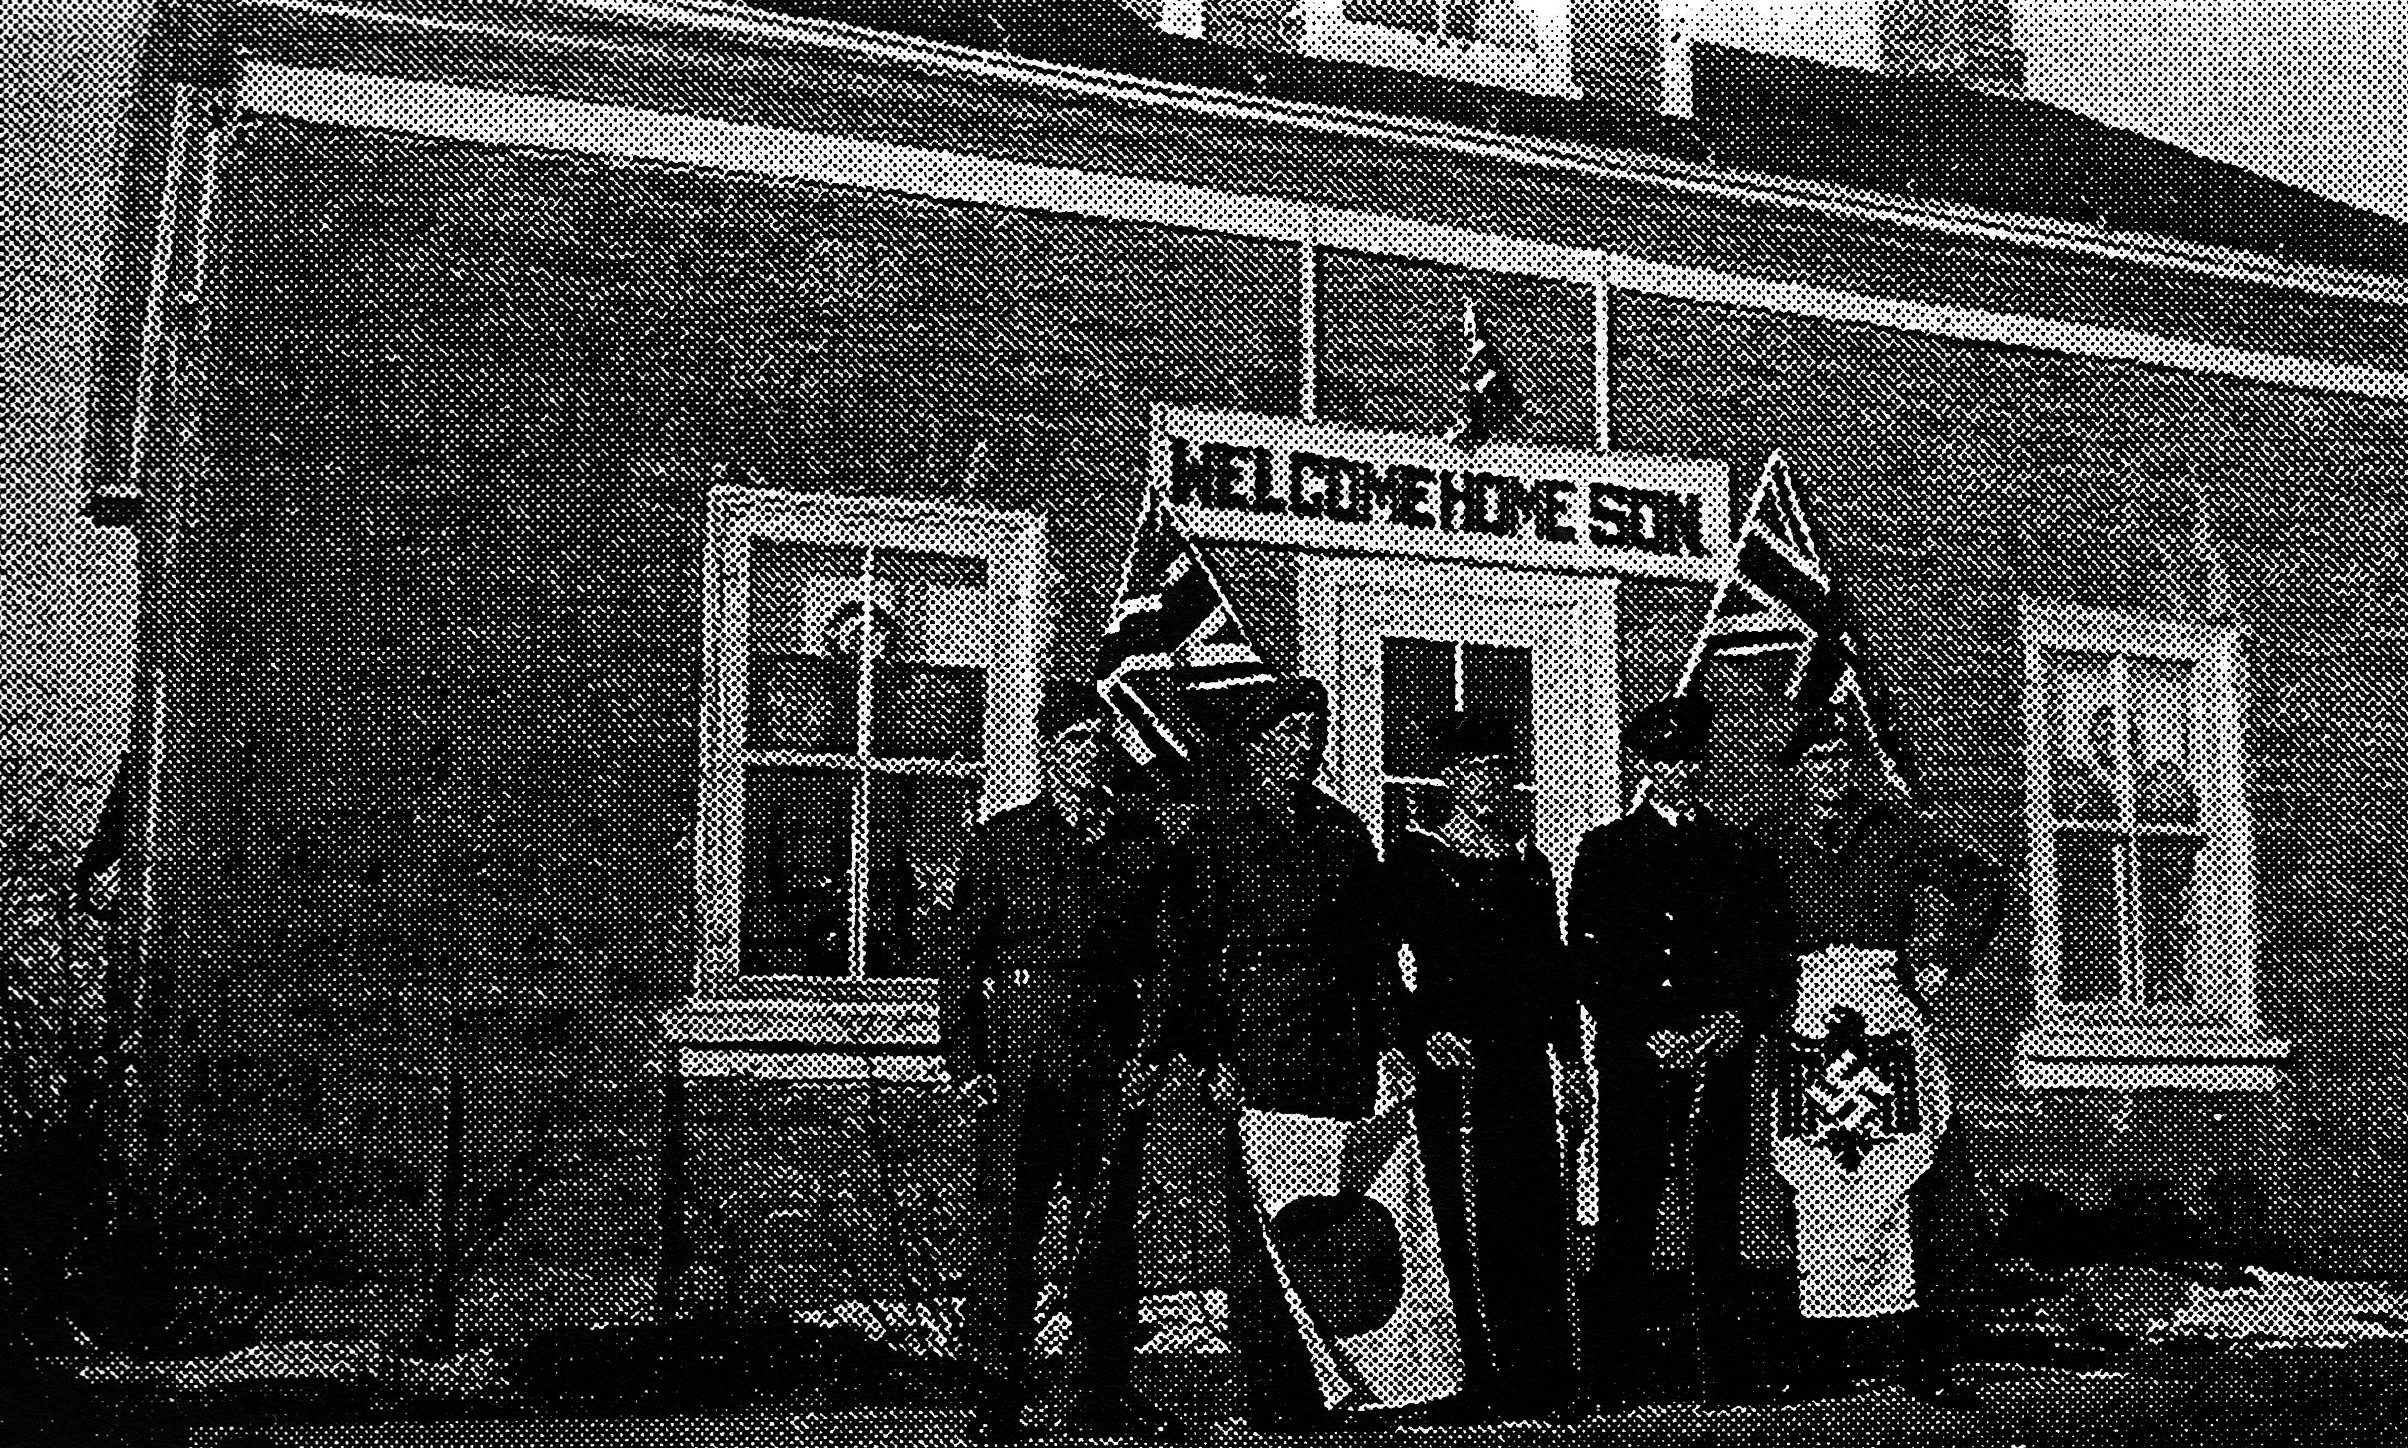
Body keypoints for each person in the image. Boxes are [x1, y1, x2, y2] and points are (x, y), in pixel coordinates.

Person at [1148, 676, 1407, 1433]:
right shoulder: (1216, 836)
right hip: (1258, 1046)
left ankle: (1350, 1382)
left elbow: (1373, 955)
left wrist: (1390, 1041)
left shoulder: (1344, 833)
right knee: (1264, 1233)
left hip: (1339, 1046)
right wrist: (1212, 1055)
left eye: (1311, 731)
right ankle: (1280, 1397)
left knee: (1329, 1220)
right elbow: (1184, 961)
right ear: (1255, 745)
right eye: (1285, 732)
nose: (1301, 746)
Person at [938, 686, 1179, 1445]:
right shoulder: (1002, 841)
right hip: (1021, 1055)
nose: (1090, 753)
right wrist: (969, 1063)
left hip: (1108, 1056)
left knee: (1107, 1227)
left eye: (1099, 739)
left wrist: (1150, 1053)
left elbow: (1169, 963)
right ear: (1048, 752)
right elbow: (960, 965)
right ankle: (994, 1393)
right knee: (1007, 1225)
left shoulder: (1142, 846)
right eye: (1074, 740)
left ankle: (1102, 1389)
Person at [1749, 708, 2005, 1411]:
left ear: (1855, 765)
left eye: (1840, 758)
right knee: (1820, 1175)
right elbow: (1734, 924)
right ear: (1798, 771)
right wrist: (1765, 991)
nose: (1829, 773)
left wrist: (1943, 962)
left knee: (1906, 1170)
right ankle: (1827, 1354)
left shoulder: (1893, 829)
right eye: (1816, 761)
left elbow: (1982, 880)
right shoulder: (1769, 842)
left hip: (1886, 1011)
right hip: (1805, 1018)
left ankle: (1927, 1353)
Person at [1563, 693, 1789, 1409]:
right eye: (1664, 759)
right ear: (1643, 765)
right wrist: (1640, 1029)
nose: (1679, 771)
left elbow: (1770, 958)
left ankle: (1720, 1368)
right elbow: (1589, 961)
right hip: (1637, 1053)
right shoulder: (1606, 850)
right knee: (1630, 1205)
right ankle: (1616, 1372)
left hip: (1718, 1051)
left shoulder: (1739, 852)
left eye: (1690, 758)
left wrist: (1733, 1018)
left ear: (1704, 763)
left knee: (1714, 1207)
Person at [1386, 711, 1585, 1421]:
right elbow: (1382, 967)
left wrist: (1572, 1061)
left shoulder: (1528, 867)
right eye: (1478, 772)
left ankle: (1544, 1372)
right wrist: (1422, 1031)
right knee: (1463, 1216)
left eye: (1503, 771)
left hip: (1523, 1059)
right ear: (1450, 779)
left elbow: (1553, 972)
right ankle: (1476, 1374)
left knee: (1530, 1210)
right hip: (1457, 1062)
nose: (1494, 784)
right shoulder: (1415, 863)